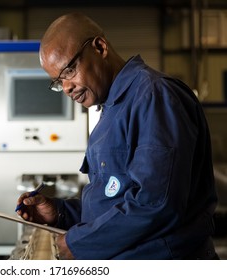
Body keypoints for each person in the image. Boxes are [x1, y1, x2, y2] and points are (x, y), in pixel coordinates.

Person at [16, 12, 219, 260]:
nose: (66, 88)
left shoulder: (153, 96)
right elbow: (113, 201)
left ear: (100, 47)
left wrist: (80, 243)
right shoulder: (112, 107)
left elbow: (156, 204)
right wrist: (60, 213)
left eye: (69, 70)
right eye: (58, 82)